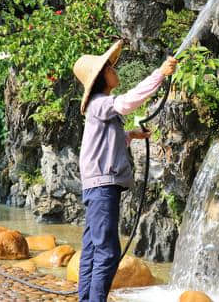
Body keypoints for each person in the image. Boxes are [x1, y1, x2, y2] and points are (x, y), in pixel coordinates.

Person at [72, 39, 178, 302]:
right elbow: (129, 102)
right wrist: (159, 74)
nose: (114, 69)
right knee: (107, 252)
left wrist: (130, 135)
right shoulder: (99, 103)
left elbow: (105, 140)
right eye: (109, 67)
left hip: (98, 185)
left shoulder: (100, 107)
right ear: (100, 77)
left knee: (91, 249)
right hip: (101, 187)